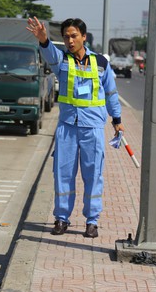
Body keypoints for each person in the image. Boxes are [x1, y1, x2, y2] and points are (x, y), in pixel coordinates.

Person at [26, 17, 122, 238]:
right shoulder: (62, 61)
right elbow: (50, 54)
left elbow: (111, 93)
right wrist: (44, 41)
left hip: (93, 128)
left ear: (84, 37)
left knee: (93, 175)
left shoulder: (101, 63)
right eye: (66, 37)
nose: (69, 40)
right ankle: (61, 219)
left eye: (74, 36)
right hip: (68, 128)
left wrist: (116, 119)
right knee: (63, 175)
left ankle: (92, 221)